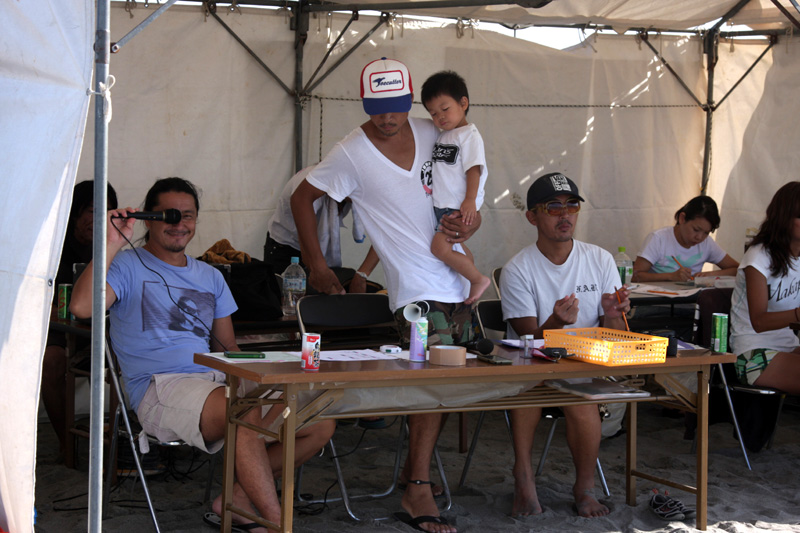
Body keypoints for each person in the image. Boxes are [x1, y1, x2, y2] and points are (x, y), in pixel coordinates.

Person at [70, 177, 334, 531]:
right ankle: (275, 524)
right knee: (243, 411)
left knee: (319, 422)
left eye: (188, 215)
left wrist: (265, 374)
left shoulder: (210, 276)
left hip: (214, 382)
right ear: (148, 218)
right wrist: (111, 243)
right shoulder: (124, 265)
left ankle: (237, 501)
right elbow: (82, 308)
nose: (179, 224)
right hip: (160, 388)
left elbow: (228, 349)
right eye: (168, 215)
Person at [291, 57, 479, 533]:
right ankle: (417, 487)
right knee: (433, 382)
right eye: (377, 109)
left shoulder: (434, 129)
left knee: (444, 387)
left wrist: (469, 218)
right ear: (363, 104)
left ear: (409, 100)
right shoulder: (350, 152)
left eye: (396, 106)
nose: (387, 118)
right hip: (415, 289)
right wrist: (316, 265)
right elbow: (301, 197)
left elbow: (461, 183)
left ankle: (414, 473)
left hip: (457, 277)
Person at [499, 172, 630, 518]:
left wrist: (613, 314)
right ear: (532, 217)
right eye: (553, 208)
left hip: (585, 364)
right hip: (533, 365)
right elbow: (528, 340)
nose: (565, 215)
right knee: (527, 386)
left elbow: (615, 336)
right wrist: (556, 323)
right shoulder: (518, 269)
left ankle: (584, 488)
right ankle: (523, 477)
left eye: (572, 206)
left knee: (582, 399)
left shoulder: (600, 259)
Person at [42, 180, 118, 458]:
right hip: (59, 330)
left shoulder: (112, 246)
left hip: (102, 329)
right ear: (74, 213)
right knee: (51, 362)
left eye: (106, 212)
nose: (99, 219)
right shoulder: (51, 246)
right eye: (92, 211)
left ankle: (129, 439)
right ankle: (66, 442)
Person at [420, 70, 490, 305]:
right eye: (433, 113)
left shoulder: (469, 135)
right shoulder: (443, 136)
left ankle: (477, 279)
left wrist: (469, 200)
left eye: (445, 109)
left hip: (458, 206)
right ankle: (470, 270)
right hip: (444, 205)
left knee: (439, 249)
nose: (439, 116)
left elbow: (474, 169)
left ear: (463, 103)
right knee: (454, 247)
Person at [729, 181, 800, 394]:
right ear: (784, 218)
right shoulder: (759, 256)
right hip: (751, 352)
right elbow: (759, 321)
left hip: (788, 345)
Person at [264, 165, 379, 293]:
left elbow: (385, 234)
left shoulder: (355, 189)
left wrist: (362, 275)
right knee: (288, 300)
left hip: (312, 247)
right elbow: (308, 253)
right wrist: (331, 289)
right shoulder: (310, 186)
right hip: (286, 249)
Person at [632, 195, 739, 282]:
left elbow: (738, 270)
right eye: (696, 230)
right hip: (656, 300)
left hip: (691, 300)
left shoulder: (707, 243)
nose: (699, 237)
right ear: (682, 218)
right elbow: (634, 275)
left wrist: (710, 275)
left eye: (706, 233)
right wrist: (670, 276)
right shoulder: (658, 238)